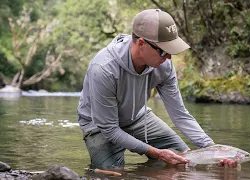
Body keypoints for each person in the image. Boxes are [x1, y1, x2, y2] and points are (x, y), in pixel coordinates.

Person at [77, 9, 236, 170]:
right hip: (99, 126)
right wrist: (157, 153)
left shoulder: (164, 66)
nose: (169, 58)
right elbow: (110, 129)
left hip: (137, 118)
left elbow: (180, 114)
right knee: (112, 173)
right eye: (164, 51)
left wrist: (213, 149)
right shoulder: (103, 68)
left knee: (183, 162)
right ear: (141, 44)